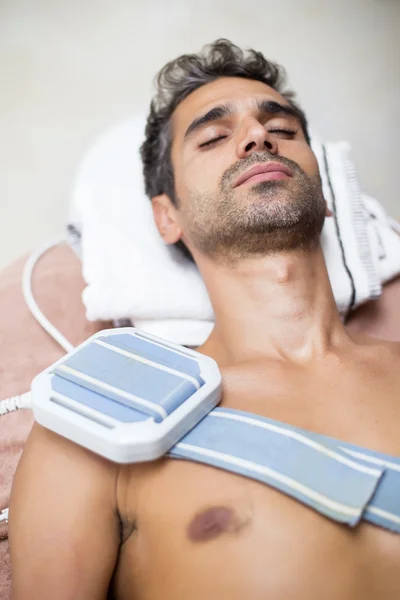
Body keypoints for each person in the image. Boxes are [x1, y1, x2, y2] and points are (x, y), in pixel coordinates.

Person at [9, 39, 400, 600]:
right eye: (215, 137)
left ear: (329, 188)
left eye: (283, 131)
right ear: (167, 216)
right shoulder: (98, 421)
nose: (257, 137)